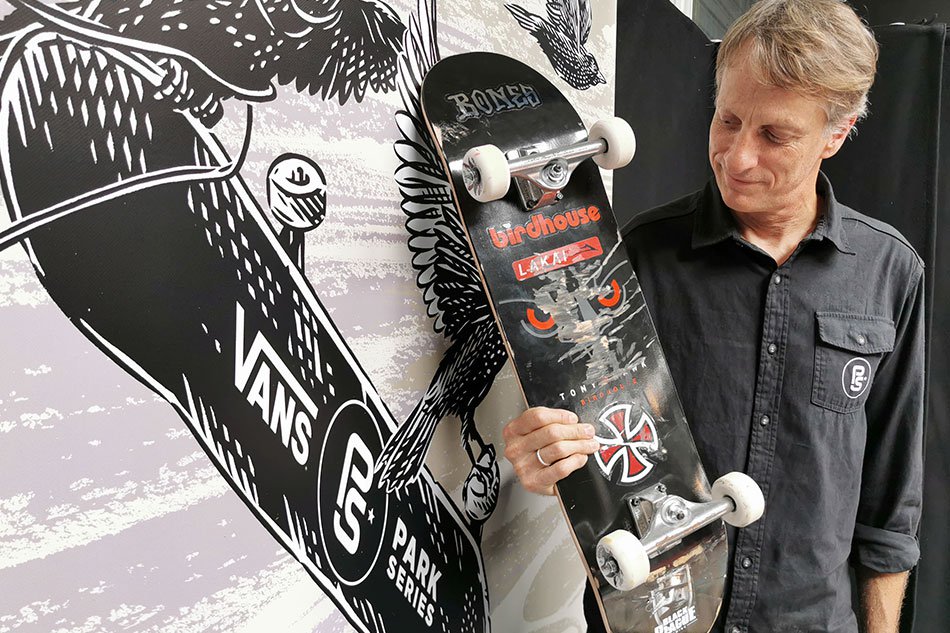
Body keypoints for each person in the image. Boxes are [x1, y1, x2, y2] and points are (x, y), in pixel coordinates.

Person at [501, 1, 924, 632]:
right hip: (655, 613)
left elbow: (890, 508)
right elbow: (589, 442)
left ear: (836, 134)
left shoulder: (889, 273)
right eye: (727, 120)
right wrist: (545, 461)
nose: (737, 157)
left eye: (775, 136)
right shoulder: (634, 257)